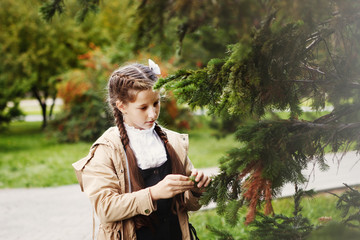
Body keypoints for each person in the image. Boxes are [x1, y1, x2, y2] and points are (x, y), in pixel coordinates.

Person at [72, 60, 211, 240]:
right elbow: (105, 209)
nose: (152, 113)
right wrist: (153, 193)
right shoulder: (106, 150)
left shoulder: (173, 141)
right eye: (143, 107)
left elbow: (187, 204)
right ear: (122, 106)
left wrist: (195, 190)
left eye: (156, 103)